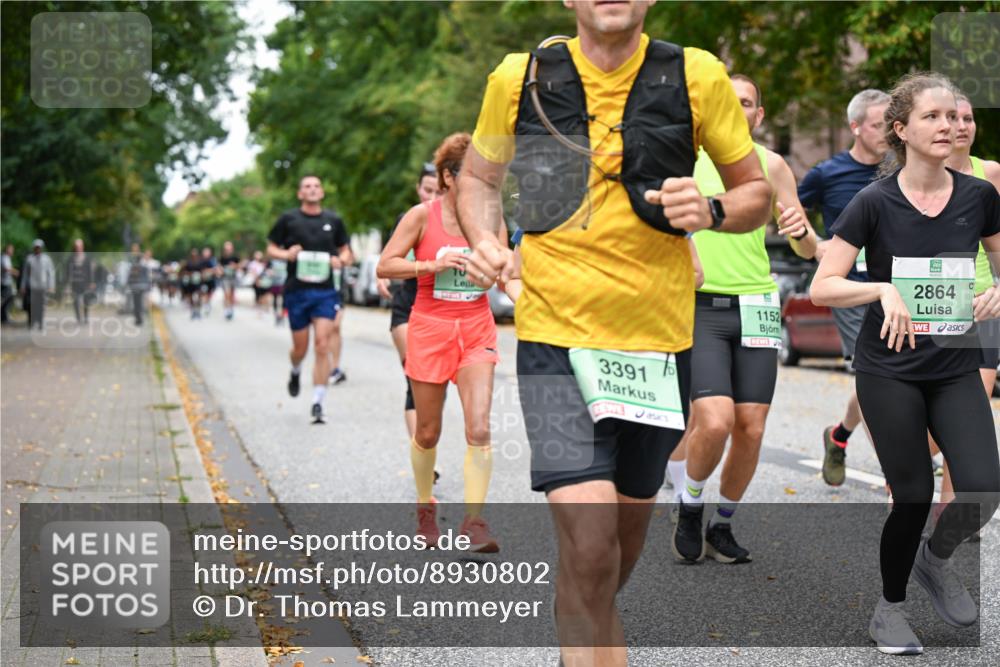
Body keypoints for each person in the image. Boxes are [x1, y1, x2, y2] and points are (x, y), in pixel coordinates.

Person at [457, 2, 772, 663]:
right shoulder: (519, 78)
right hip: (554, 340)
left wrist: (712, 209)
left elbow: (754, 193)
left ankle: (591, 620)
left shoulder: (696, 75)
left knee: (617, 550)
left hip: (659, 347)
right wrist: (486, 239)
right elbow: (481, 179)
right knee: (593, 540)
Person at [811, 73, 1000, 657]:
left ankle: (934, 560)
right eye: (933, 117)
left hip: (953, 363)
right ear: (901, 130)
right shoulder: (875, 201)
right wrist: (879, 292)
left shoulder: (979, 196)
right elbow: (823, 286)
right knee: (913, 492)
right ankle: (889, 609)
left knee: (985, 487)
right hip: (888, 368)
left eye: (953, 116)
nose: (949, 125)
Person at [672, 74, 818, 563]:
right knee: (713, 421)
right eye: (728, 101)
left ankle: (723, 524)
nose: (738, 109)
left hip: (756, 304)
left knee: (751, 428)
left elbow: (806, 245)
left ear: (759, 116)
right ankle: (690, 504)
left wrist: (800, 233)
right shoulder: (684, 159)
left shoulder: (773, 165)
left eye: (748, 103)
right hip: (700, 304)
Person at [377, 133, 504, 552]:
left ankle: (475, 523)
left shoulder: (491, 217)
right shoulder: (420, 215)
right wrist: (433, 264)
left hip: (476, 328)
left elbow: (504, 272)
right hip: (430, 328)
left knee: (480, 426)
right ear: (449, 177)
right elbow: (387, 264)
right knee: (428, 432)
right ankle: (424, 506)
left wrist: (495, 274)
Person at [798, 89, 891, 486]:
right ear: (855, 127)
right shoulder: (826, 173)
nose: (886, 131)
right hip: (850, 289)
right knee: (878, 375)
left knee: (882, 376)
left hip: (897, 287)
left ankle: (839, 435)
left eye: (891, 122)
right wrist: (813, 243)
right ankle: (897, 464)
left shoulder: (901, 168)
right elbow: (790, 209)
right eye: (876, 124)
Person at [934, 92, 1000, 528]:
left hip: (984, 307)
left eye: (969, 118)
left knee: (970, 414)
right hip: (937, 303)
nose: (962, 126)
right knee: (930, 424)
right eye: (953, 118)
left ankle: (947, 510)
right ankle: (903, 476)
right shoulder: (924, 174)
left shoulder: (990, 172)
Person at [267, 175, 352, 423]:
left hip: (325, 291)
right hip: (297, 291)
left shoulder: (333, 220)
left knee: (322, 344)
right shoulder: (289, 219)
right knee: (300, 348)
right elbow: (270, 248)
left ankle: (318, 401)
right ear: (300, 194)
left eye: (316, 186)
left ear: (322, 192)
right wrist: (286, 254)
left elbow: (346, 251)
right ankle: (295, 370)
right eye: (307, 186)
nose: (312, 189)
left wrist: (342, 259)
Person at [378, 162, 443, 440]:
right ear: (418, 188)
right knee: (414, 380)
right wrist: (382, 276)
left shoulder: (456, 221)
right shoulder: (410, 217)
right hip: (408, 306)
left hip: (442, 308)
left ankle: (425, 446)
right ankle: (424, 454)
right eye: (427, 190)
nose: (432, 197)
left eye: (438, 191)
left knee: (435, 386)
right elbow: (389, 259)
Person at [20, 239, 55, 330]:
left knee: (40, 305)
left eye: (39, 248)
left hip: (42, 286)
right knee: (30, 305)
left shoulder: (46, 259)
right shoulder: (29, 259)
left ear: (41, 248)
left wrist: (51, 286)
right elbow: (25, 274)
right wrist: (23, 286)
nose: (37, 249)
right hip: (31, 286)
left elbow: (50, 273)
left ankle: (40, 322)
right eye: (36, 247)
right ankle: (31, 322)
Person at [65, 239, 95, 324]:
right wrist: (68, 284)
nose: (78, 248)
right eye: (76, 247)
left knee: (86, 301)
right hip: (75, 283)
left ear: (82, 247)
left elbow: (90, 271)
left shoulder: (87, 258)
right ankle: (78, 318)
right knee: (76, 301)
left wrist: (92, 282)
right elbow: (68, 272)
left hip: (85, 283)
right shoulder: (71, 259)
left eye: (79, 247)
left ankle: (86, 317)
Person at [127, 245, 151, 326]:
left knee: (138, 302)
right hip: (136, 285)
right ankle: (138, 318)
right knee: (137, 302)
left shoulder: (139, 261)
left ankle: (139, 318)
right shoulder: (132, 260)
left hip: (138, 285)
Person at [182, 248, 203, 319]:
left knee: (199, 296)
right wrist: (190, 274)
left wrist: (200, 275)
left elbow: (203, 271)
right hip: (190, 282)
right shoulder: (188, 262)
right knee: (191, 297)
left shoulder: (200, 262)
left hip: (198, 282)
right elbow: (183, 271)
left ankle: (198, 311)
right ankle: (193, 310)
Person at [1, 244, 18, 325]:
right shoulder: (4, 257)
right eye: (11, 249)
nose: (12, 251)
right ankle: (3, 317)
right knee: (6, 300)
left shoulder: (7, 258)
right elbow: (6, 268)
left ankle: (4, 317)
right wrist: (15, 272)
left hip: (7, 282)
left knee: (8, 299)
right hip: (5, 282)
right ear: (7, 249)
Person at [199, 246, 218, 316]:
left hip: (211, 280)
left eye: (207, 252)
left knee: (210, 293)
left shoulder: (212, 260)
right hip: (203, 280)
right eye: (205, 252)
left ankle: (207, 303)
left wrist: (208, 271)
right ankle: (205, 304)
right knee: (204, 292)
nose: (206, 253)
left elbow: (215, 268)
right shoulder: (200, 260)